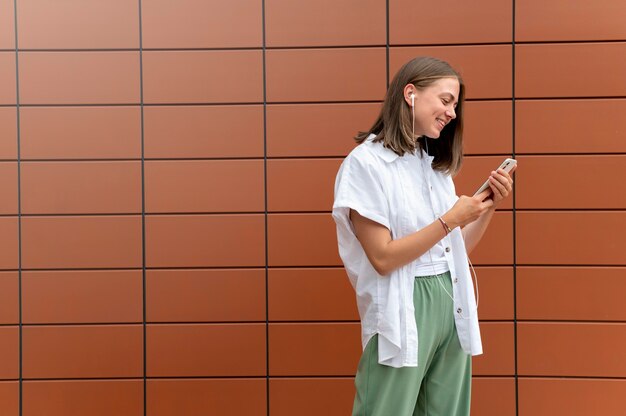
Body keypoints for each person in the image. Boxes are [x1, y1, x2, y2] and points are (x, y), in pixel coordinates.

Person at [332, 56, 515, 416]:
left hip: (450, 297)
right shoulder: (365, 164)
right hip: (404, 303)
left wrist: (487, 207)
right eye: (446, 100)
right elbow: (382, 257)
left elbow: (455, 250)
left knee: (446, 410)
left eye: (455, 106)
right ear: (411, 93)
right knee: (386, 410)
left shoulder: (431, 166)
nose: (452, 113)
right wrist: (449, 220)